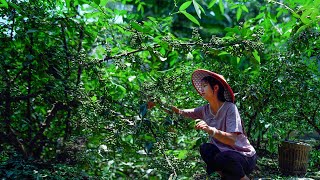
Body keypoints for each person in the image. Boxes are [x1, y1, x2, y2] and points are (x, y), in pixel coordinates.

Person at [149, 69, 257, 180]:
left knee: (223, 157)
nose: (201, 90)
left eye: (204, 86)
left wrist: (210, 130)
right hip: (226, 156)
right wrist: (158, 103)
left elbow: (231, 140)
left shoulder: (230, 108)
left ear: (215, 88)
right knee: (206, 149)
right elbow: (180, 112)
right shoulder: (204, 110)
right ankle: (226, 177)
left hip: (245, 157)